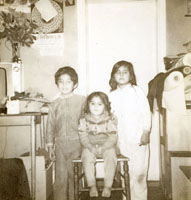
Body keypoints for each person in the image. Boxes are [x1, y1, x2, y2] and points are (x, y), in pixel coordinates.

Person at [108, 60, 151, 200]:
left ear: (131, 76)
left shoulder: (137, 91)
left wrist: (146, 131)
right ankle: (127, 197)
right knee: (126, 172)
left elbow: (146, 112)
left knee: (139, 172)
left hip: (138, 138)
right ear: (113, 76)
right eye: (118, 72)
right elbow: (109, 117)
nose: (121, 75)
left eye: (125, 72)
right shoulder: (112, 95)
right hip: (122, 140)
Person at [46, 66, 86, 200]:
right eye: (61, 81)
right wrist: (50, 146)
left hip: (77, 143)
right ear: (57, 84)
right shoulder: (54, 104)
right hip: (60, 145)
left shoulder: (82, 100)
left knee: (74, 176)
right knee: (60, 178)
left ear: (75, 84)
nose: (64, 85)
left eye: (68, 81)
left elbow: (86, 120)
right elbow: (50, 125)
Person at [78, 91, 118, 198]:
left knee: (111, 156)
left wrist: (104, 147)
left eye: (100, 104)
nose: (96, 107)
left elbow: (113, 137)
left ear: (105, 106)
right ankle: (92, 185)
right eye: (93, 103)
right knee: (86, 157)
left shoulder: (109, 119)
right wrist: (90, 147)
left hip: (107, 146)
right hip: (89, 146)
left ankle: (107, 185)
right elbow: (83, 137)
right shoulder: (84, 120)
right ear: (88, 105)